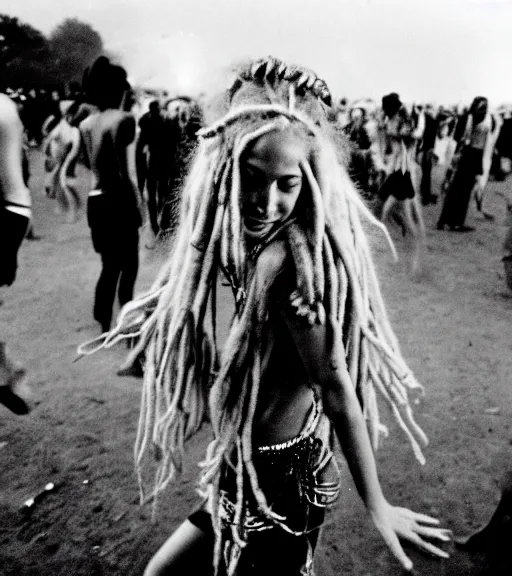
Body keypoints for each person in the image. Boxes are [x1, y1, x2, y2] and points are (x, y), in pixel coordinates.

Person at [79, 58, 450, 575]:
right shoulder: (246, 246)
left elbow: (338, 386)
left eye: (287, 184)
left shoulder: (294, 274)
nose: (265, 201)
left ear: (312, 184)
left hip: (281, 481)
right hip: (244, 467)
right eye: (253, 179)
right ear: (224, 168)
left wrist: (378, 505)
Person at [78, 57, 142, 333]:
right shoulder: (125, 120)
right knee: (129, 265)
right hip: (120, 199)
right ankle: (125, 320)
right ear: (120, 91)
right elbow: (128, 172)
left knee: (108, 264)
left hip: (96, 200)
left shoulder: (86, 124)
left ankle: (103, 318)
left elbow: (84, 161)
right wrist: (141, 207)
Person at [0, 93, 32, 415]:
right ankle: (7, 373)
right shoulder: (6, 107)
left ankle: (7, 373)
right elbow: (16, 181)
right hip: (11, 210)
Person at [377, 93, 426, 274]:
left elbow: (411, 136)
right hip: (397, 172)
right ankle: (410, 257)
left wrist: (417, 119)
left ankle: (415, 261)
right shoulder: (396, 120)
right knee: (384, 213)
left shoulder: (405, 122)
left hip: (404, 173)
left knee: (404, 216)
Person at [437, 96, 493, 231]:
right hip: (467, 155)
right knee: (460, 191)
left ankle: (447, 220)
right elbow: (458, 138)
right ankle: (454, 222)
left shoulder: (473, 118)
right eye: (481, 108)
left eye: (485, 108)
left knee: (459, 190)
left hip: (470, 156)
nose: (483, 111)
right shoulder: (470, 118)